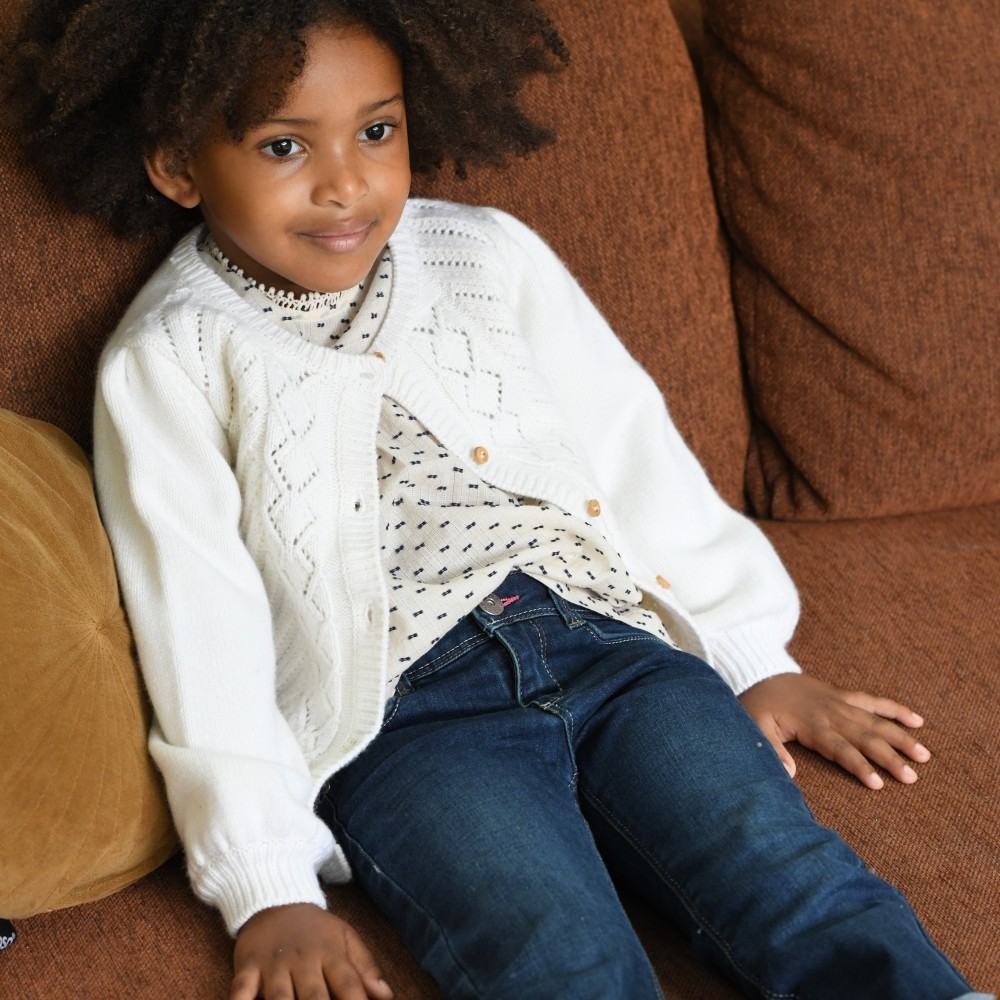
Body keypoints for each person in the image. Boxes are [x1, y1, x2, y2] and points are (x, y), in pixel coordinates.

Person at [4, 2, 991, 999]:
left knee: (797, 886)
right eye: (283, 145)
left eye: (377, 130)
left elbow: (631, 449)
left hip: (614, 650)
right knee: (553, 955)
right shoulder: (168, 359)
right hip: (406, 726)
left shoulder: (486, 256)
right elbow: (199, 625)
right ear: (178, 165)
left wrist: (752, 658)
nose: (345, 182)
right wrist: (266, 884)